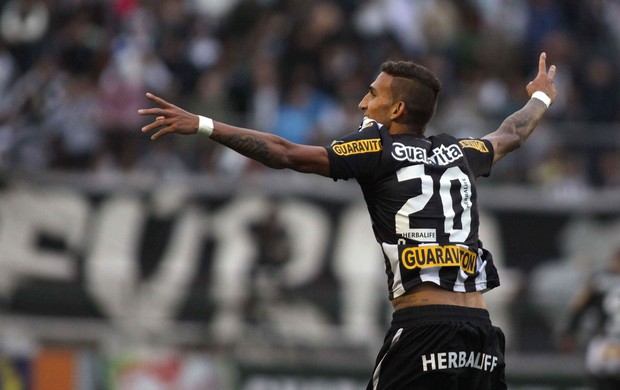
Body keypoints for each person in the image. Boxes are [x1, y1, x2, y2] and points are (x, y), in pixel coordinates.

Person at [138, 52, 557, 389]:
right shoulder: (462, 152)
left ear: (396, 108)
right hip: (482, 335)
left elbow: (283, 153)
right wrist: (540, 98)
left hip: (424, 331)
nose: (362, 102)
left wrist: (204, 125)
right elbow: (511, 134)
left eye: (372, 94)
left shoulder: (377, 149)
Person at [559, 246, 620, 390]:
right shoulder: (599, 280)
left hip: (604, 346)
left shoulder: (598, 280)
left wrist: (568, 332)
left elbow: (578, 307)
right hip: (606, 343)